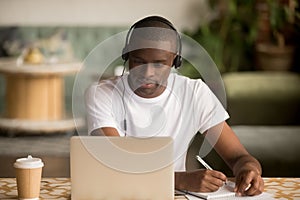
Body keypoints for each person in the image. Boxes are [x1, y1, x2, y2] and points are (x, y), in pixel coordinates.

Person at [85, 15, 264, 196]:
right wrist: (179, 180)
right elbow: (115, 165)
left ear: (175, 61)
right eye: (138, 61)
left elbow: (238, 157)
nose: (147, 72)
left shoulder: (194, 93)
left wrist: (249, 170)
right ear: (126, 56)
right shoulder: (101, 94)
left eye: (158, 64)